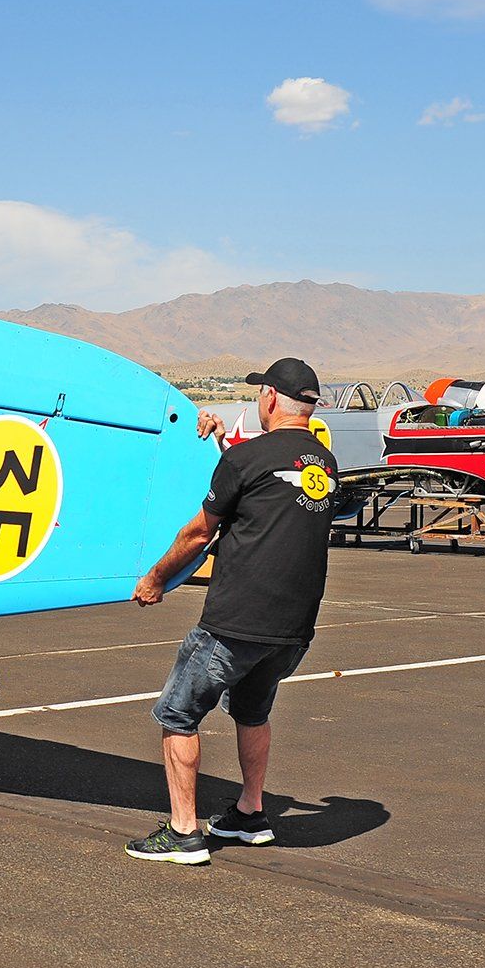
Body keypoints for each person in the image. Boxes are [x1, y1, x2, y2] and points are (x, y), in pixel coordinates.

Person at [125, 357, 337, 867]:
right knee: (252, 711)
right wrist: (220, 442)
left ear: (268, 399)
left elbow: (200, 531)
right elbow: (267, 488)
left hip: (236, 621)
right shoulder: (324, 464)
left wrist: (154, 579)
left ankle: (182, 833)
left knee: (178, 713)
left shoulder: (248, 460)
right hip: (293, 627)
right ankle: (249, 813)